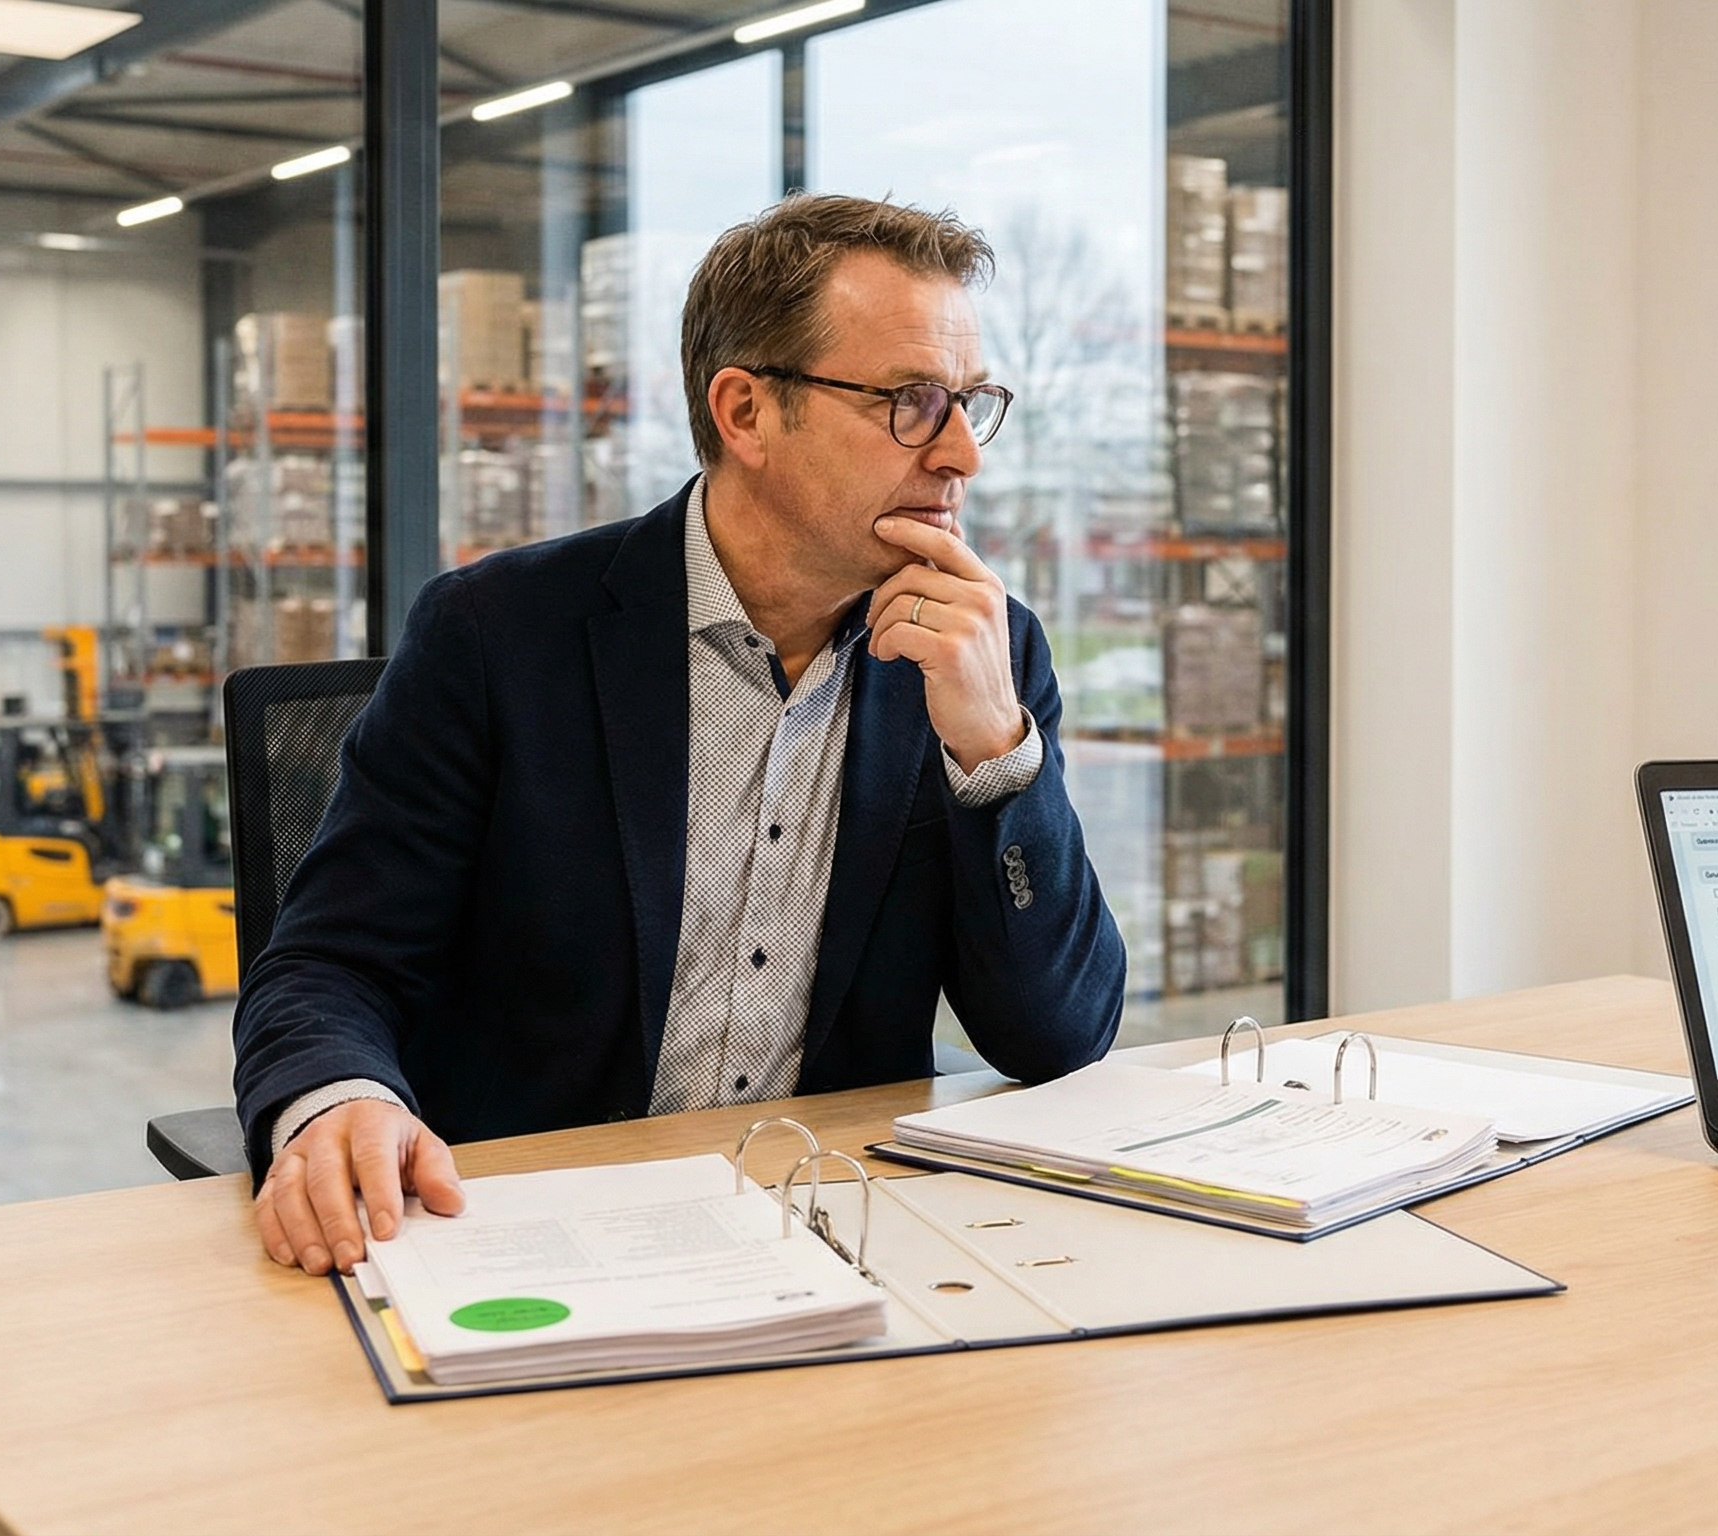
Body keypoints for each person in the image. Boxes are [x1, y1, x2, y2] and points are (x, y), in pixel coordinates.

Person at [233, 193, 1127, 1275]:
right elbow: (331, 962)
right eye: (909, 402)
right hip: (526, 1232)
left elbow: (1059, 1035)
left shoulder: (981, 653)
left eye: (969, 405)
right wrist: (338, 1105)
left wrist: (994, 752)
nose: (958, 458)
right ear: (744, 411)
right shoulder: (496, 636)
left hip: (826, 1233)